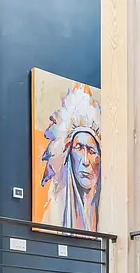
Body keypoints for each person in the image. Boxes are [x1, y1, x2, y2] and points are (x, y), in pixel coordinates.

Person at [39, 85, 102, 232]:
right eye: (79, 148)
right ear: (68, 154)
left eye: (91, 150)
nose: (85, 161)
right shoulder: (52, 215)